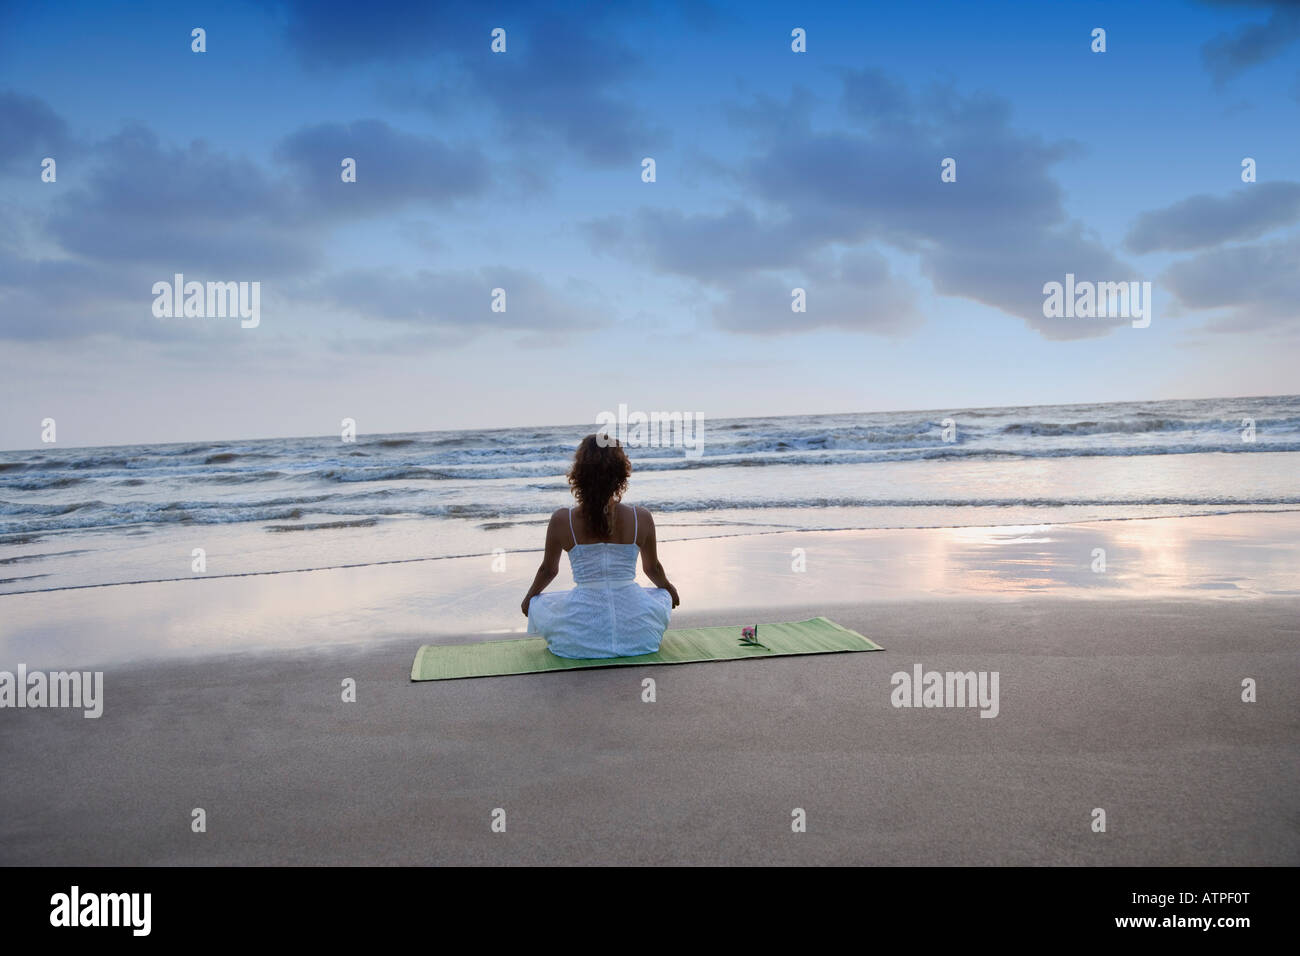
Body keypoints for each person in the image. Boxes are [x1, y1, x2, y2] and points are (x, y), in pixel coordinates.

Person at [521, 434, 679, 658]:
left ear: (579, 473)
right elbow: (652, 569)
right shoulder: (641, 517)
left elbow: (548, 570)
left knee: (540, 603)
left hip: (579, 641)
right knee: (660, 595)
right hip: (639, 637)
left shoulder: (562, 519)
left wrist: (529, 599)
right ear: (620, 473)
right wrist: (670, 590)